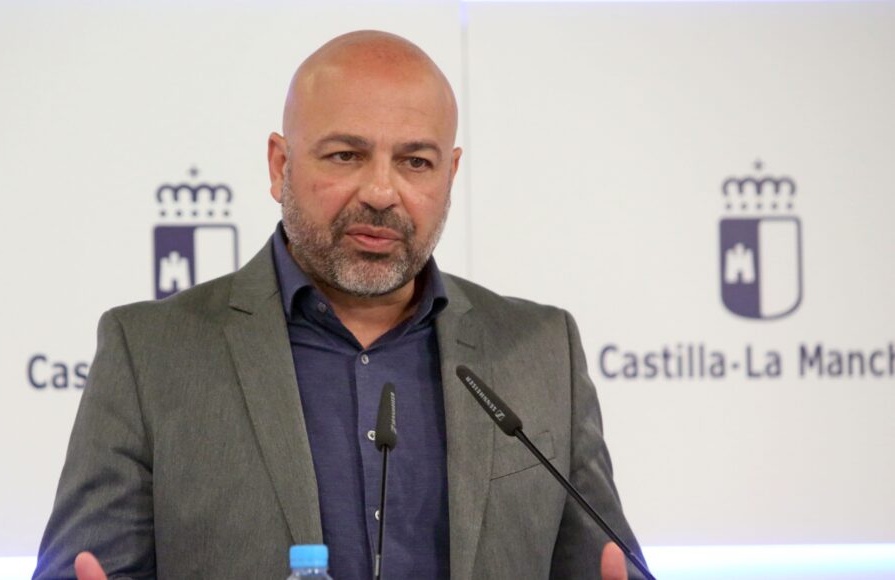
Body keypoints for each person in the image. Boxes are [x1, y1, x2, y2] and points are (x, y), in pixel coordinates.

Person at [33, 30, 645, 580]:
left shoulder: (540, 350)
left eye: (415, 162)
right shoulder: (150, 354)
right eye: (346, 155)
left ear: (450, 175)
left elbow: (605, 566)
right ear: (280, 165)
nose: (380, 192)